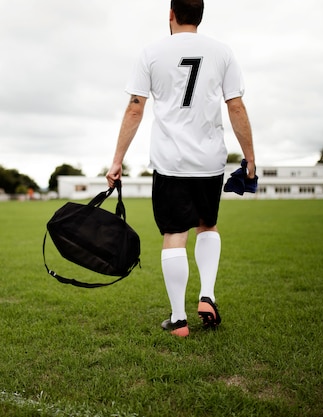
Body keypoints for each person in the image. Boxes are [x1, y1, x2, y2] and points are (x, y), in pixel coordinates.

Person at [106, 0, 256, 336]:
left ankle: (178, 319)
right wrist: (250, 157)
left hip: (170, 161)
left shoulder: (151, 52)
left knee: (175, 235)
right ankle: (208, 295)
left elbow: (134, 110)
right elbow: (236, 106)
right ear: (200, 15)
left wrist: (117, 160)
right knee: (208, 226)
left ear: (171, 14)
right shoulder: (222, 52)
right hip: (209, 160)